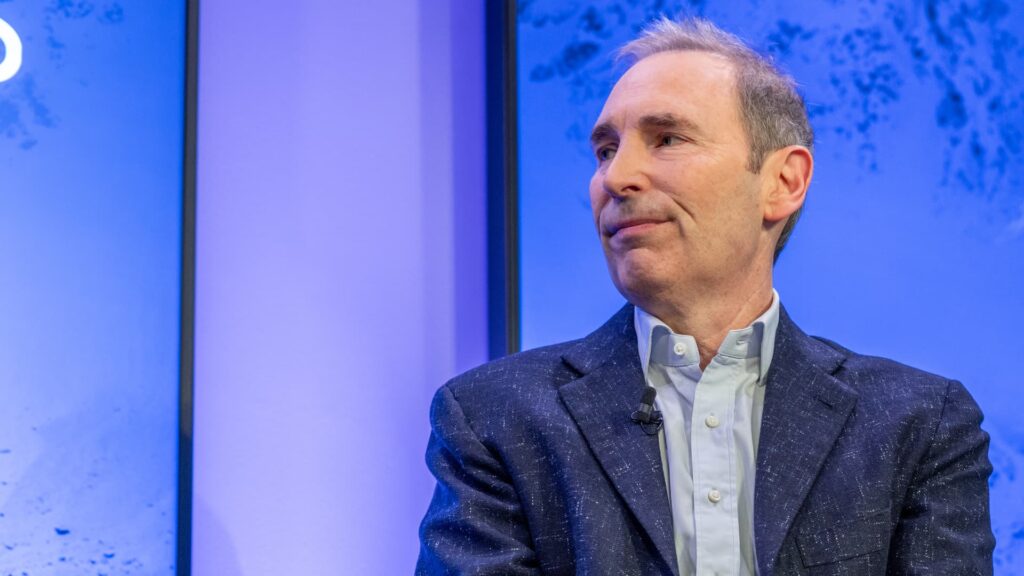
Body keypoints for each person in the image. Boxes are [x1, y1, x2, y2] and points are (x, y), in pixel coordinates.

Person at [416, 17, 993, 576]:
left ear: (783, 182)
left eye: (667, 139)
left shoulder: (919, 425)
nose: (616, 178)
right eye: (606, 150)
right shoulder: (493, 418)